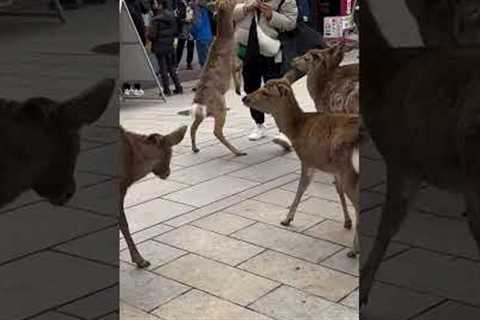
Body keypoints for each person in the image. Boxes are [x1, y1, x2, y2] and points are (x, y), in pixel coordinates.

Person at [234, 0, 297, 142]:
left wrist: (271, 15)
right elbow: (231, 13)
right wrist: (245, 7)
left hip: (272, 50)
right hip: (247, 48)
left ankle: (284, 130)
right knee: (251, 88)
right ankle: (259, 124)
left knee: (276, 90)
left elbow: (291, 23)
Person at [149, 0, 184, 95]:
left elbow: (152, 35)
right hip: (170, 44)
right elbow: (176, 30)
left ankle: (166, 90)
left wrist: (149, 36)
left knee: (162, 68)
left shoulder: (155, 19)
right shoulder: (172, 16)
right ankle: (178, 87)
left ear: (160, 5)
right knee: (171, 67)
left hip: (159, 45)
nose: (153, 5)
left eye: (155, 3)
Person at [123, 0, 149, 97]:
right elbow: (146, 9)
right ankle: (136, 87)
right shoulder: (136, 4)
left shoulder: (124, 5)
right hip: (137, 37)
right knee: (137, 63)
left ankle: (126, 87)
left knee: (126, 63)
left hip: (127, 37)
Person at [191, 0, 214, 68]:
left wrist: (192, 31)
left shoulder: (197, 10)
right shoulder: (206, 9)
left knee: (203, 62)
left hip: (201, 37)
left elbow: (197, 25)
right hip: (209, 35)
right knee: (209, 60)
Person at [176, 0, 196, 69]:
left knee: (190, 45)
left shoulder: (193, 3)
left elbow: (196, 14)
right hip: (183, 27)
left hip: (191, 27)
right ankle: (176, 63)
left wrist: (193, 20)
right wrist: (183, 20)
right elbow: (177, 16)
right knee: (180, 46)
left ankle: (189, 63)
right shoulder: (179, 3)